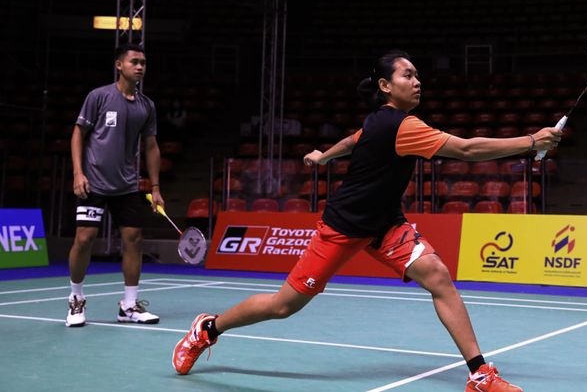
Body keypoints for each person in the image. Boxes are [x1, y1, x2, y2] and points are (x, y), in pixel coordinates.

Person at [171, 51, 561, 392]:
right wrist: (531, 142)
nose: (417, 80)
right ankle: (208, 328)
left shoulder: (380, 121)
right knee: (283, 306)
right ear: (385, 85)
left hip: (385, 224)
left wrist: (324, 155)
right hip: (342, 228)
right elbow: (466, 149)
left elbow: (353, 141)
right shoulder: (403, 126)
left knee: (438, 276)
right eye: (407, 75)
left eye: (417, 74)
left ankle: (480, 375)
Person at [66, 43, 164, 327]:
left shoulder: (146, 106)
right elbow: (77, 134)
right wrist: (77, 173)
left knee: (134, 240)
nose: (140, 67)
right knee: (84, 240)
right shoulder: (99, 97)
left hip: (127, 186)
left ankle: (129, 305)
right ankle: (76, 300)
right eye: (134, 61)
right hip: (93, 183)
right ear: (119, 65)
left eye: (143, 62)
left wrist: (155, 188)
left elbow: (151, 146)